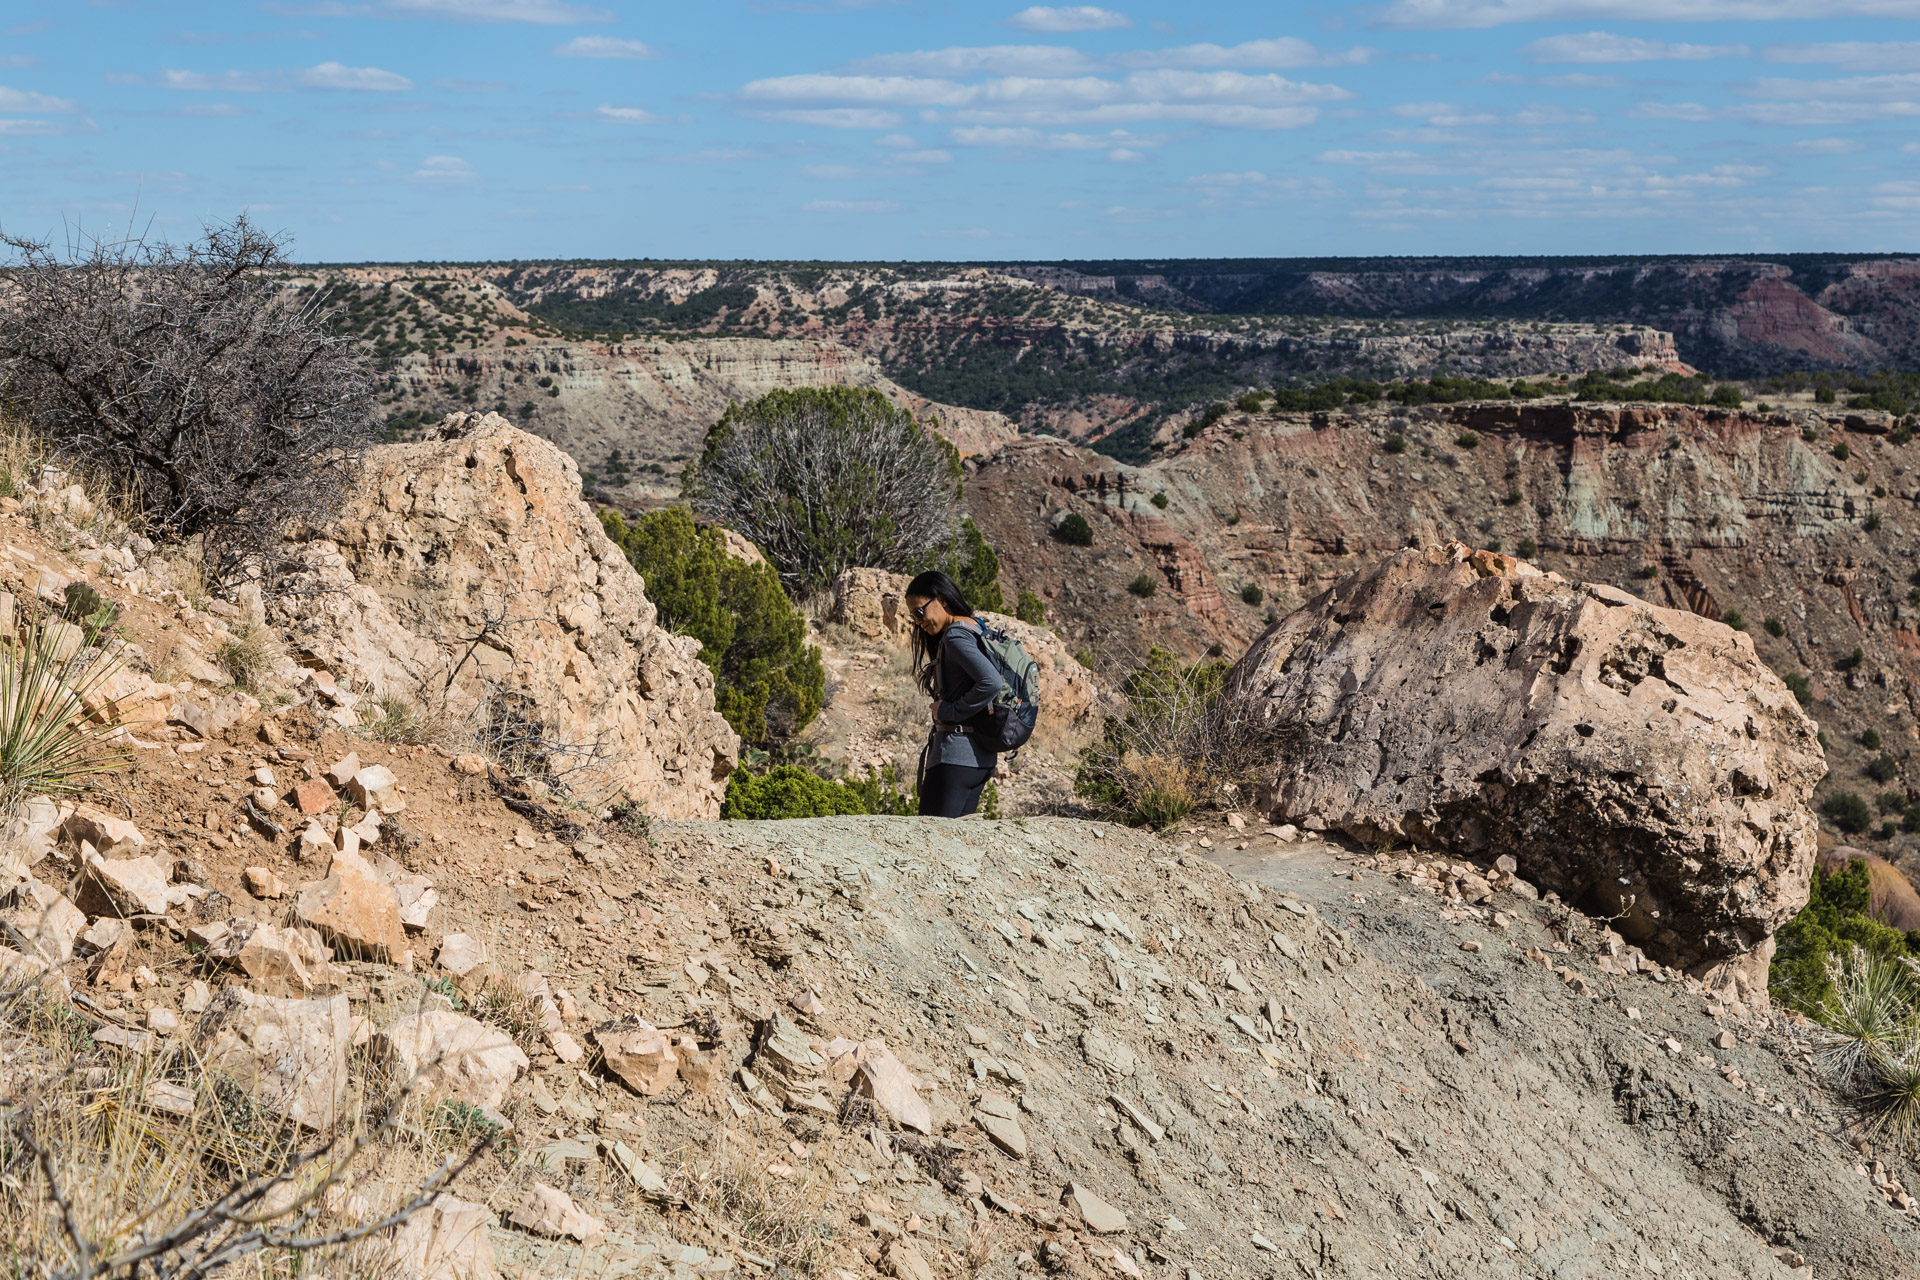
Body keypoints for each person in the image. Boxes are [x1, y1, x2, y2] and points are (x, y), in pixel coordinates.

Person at [904, 569, 1001, 817]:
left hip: (955, 759)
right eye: (913, 617)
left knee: (931, 845)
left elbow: (991, 682)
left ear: (942, 600)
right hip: (980, 760)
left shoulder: (956, 636)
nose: (918, 621)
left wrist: (948, 711)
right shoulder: (976, 628)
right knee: (957, 849)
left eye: (919, 612)